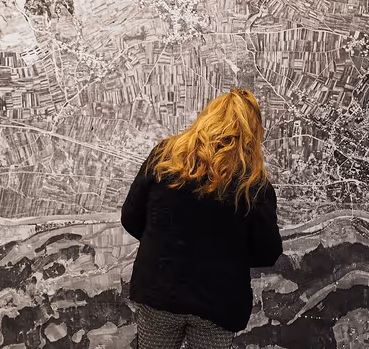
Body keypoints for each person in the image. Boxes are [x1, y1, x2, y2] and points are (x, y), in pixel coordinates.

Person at [121, 87, 283, 349]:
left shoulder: (164, 156)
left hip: (159, 289)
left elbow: (131, 217)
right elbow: (268, 252)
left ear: (207, 117)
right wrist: (228, 256)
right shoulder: (253, 183)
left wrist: (164, 244)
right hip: (218, 300)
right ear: (252, 132)